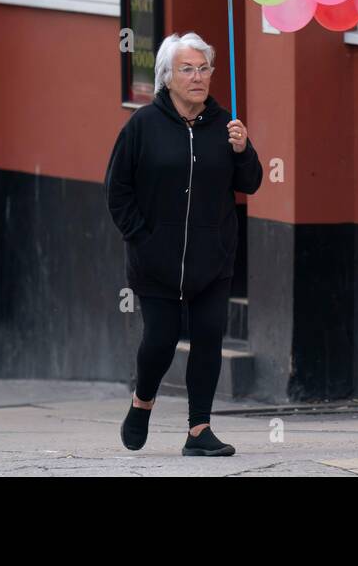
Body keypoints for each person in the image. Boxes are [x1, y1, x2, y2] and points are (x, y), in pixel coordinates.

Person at [105, 32, 262, 457]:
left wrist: (244, 149)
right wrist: (142, 238)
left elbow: (250, 183)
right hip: (156, 260)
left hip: (213, 258)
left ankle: (199, 430)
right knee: (161, 337)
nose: (198, 77)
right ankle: (142, 403)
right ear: (167, 77)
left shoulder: (224, 124)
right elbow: (117, 189)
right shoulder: (142, 126)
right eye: (187, 69)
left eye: (204, 68)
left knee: (209, 336)